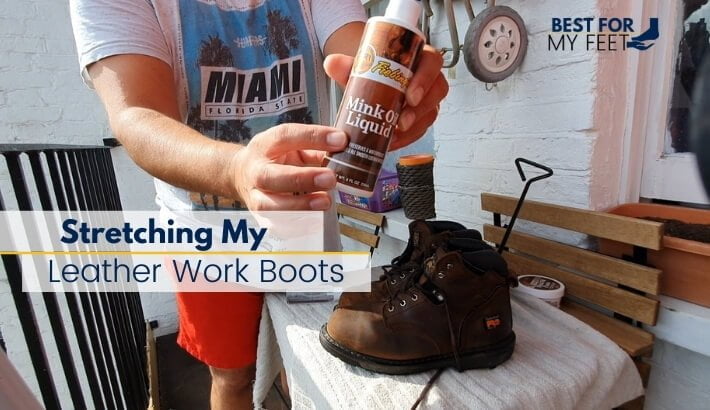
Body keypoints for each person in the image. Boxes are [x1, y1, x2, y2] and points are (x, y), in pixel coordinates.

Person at [70, 0, 448, 408]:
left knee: (308, 355)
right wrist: (235, 169)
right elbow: (136, 113)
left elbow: (359, 52)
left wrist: (400, 82)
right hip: (205, 231)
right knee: (233, 378)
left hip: (306, 219)